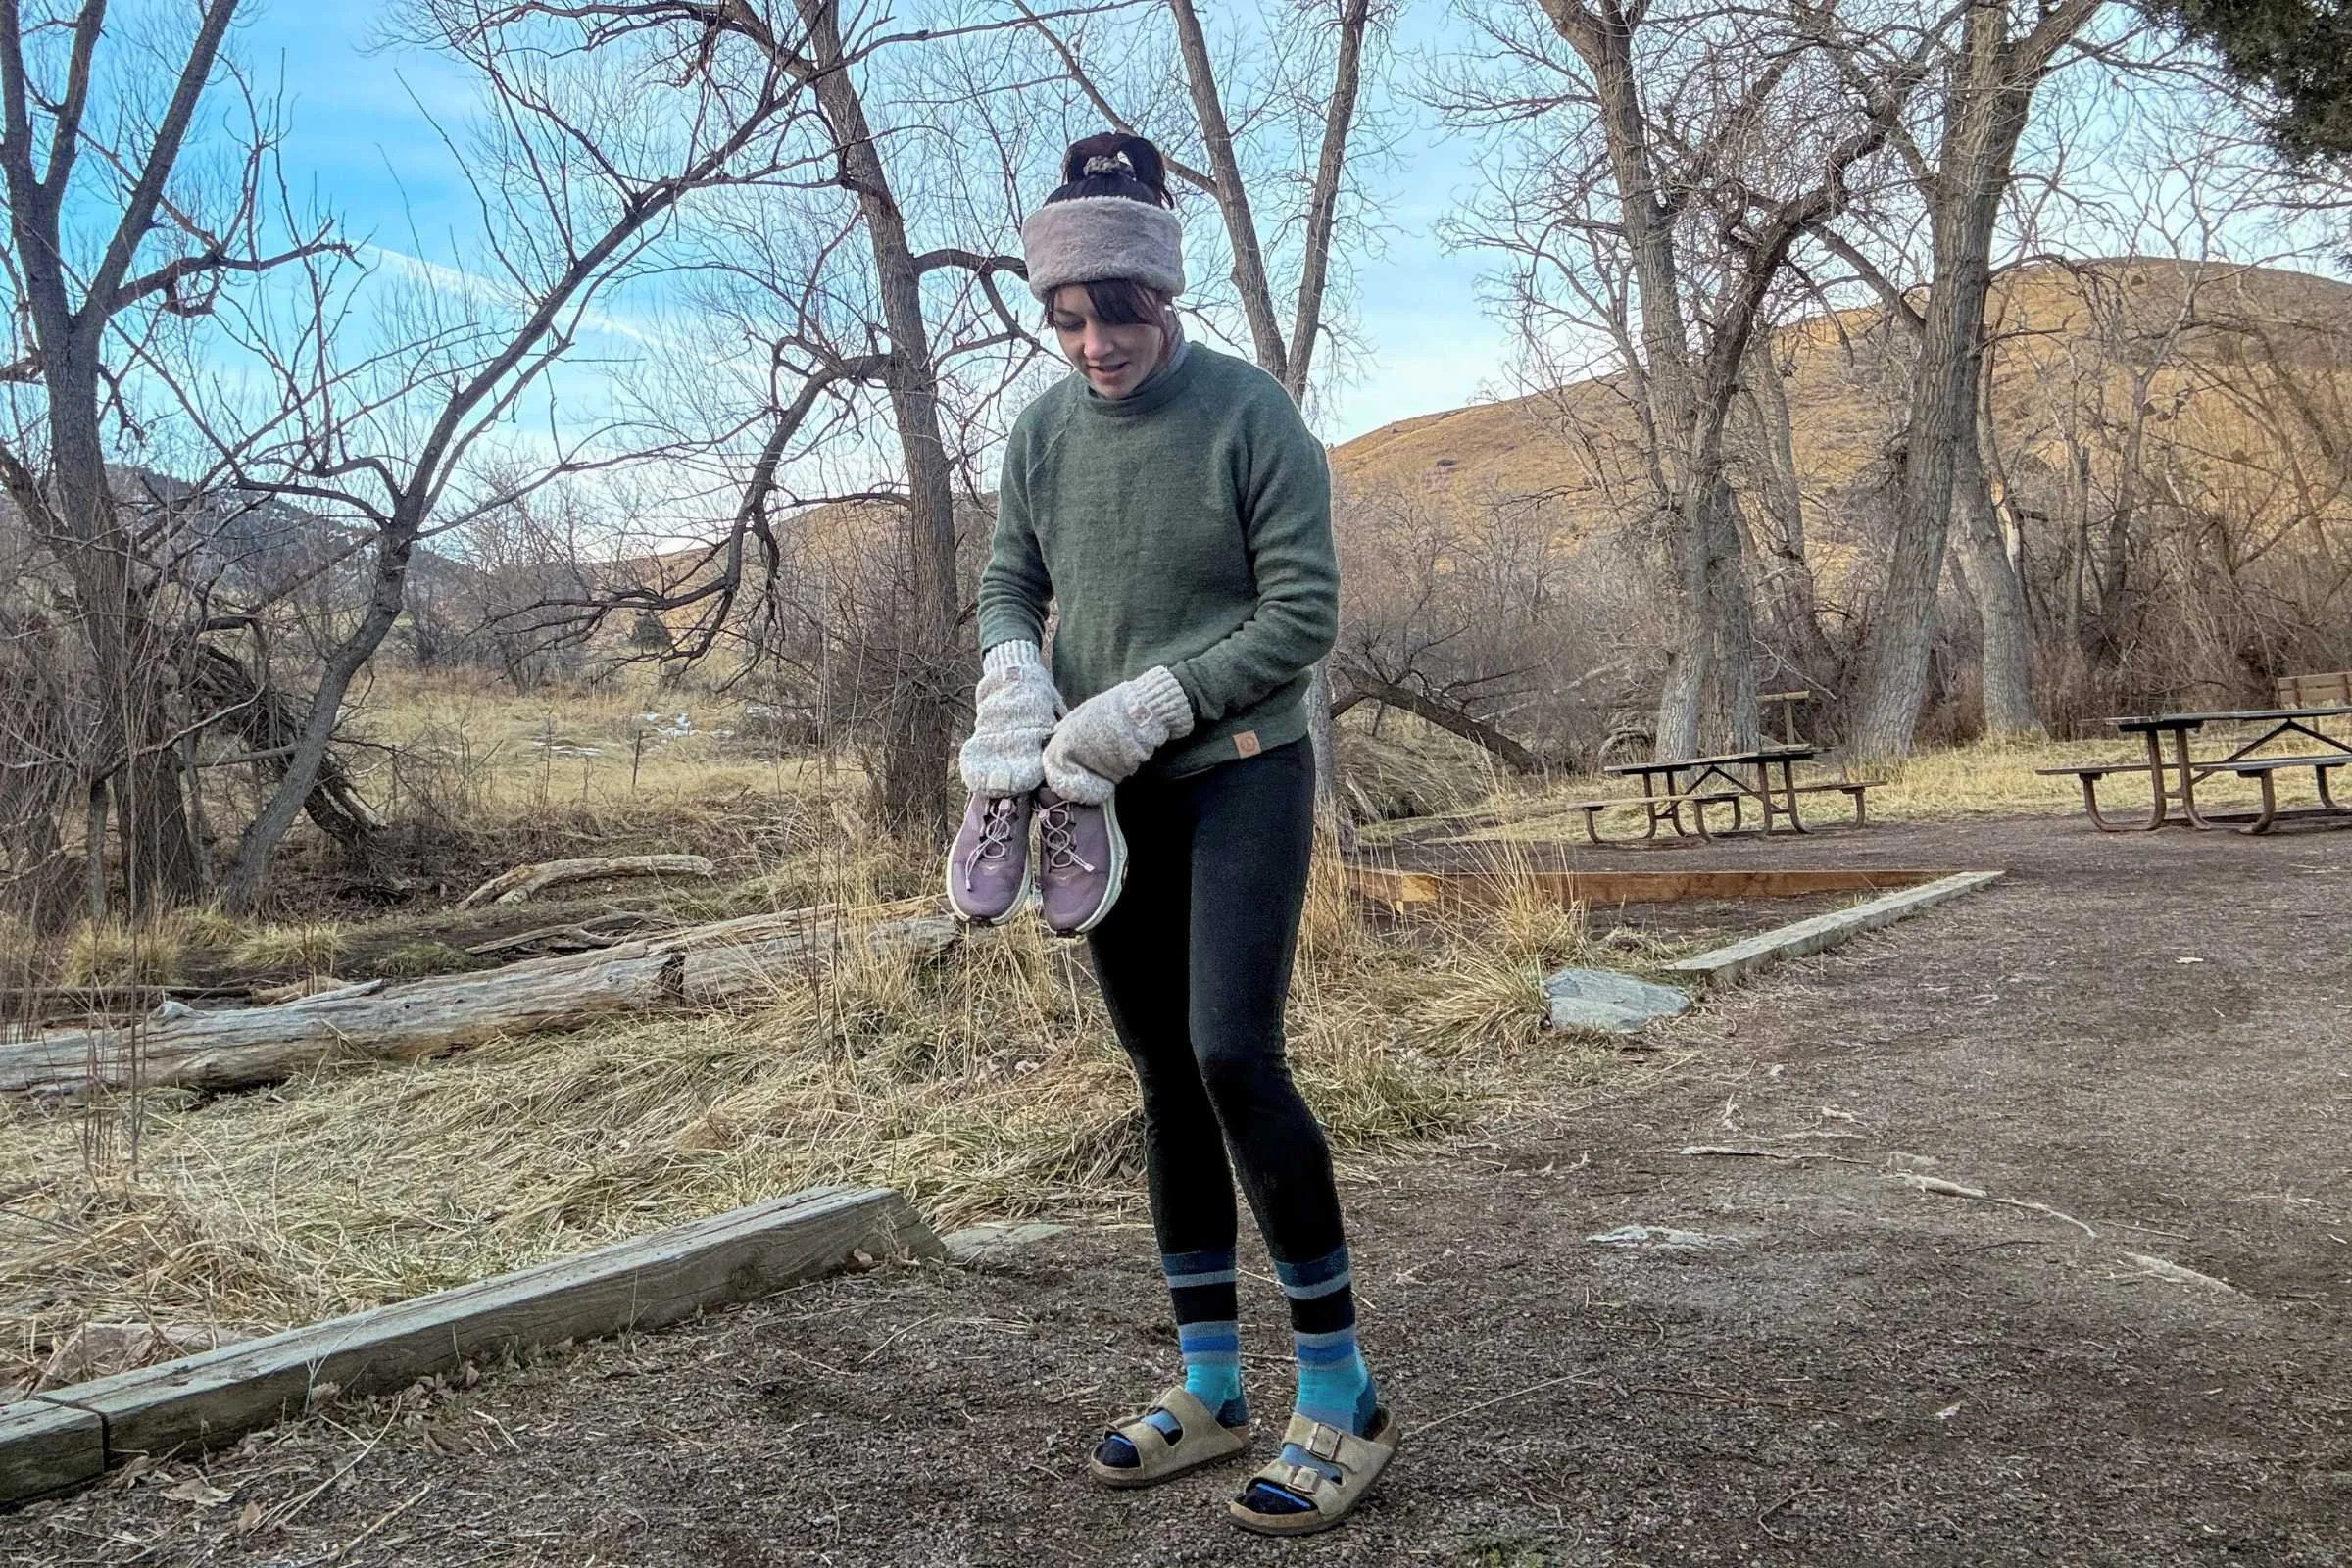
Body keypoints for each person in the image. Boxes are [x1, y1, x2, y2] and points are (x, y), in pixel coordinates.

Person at [945, 132, 1399, 1537]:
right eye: (1065, 315)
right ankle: (1212, 1384)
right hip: (1097, 785)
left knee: (1230, 1055)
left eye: (1116, 310)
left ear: (1164, 298)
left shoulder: (1252, 417)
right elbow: (1011, 576)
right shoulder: (1039, 432)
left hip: (1242, 770)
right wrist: (1019, 671)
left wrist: (1157, 699)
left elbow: (1299, 619)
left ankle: (1342, 1391)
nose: (1092, 341)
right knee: (1158, 1072)